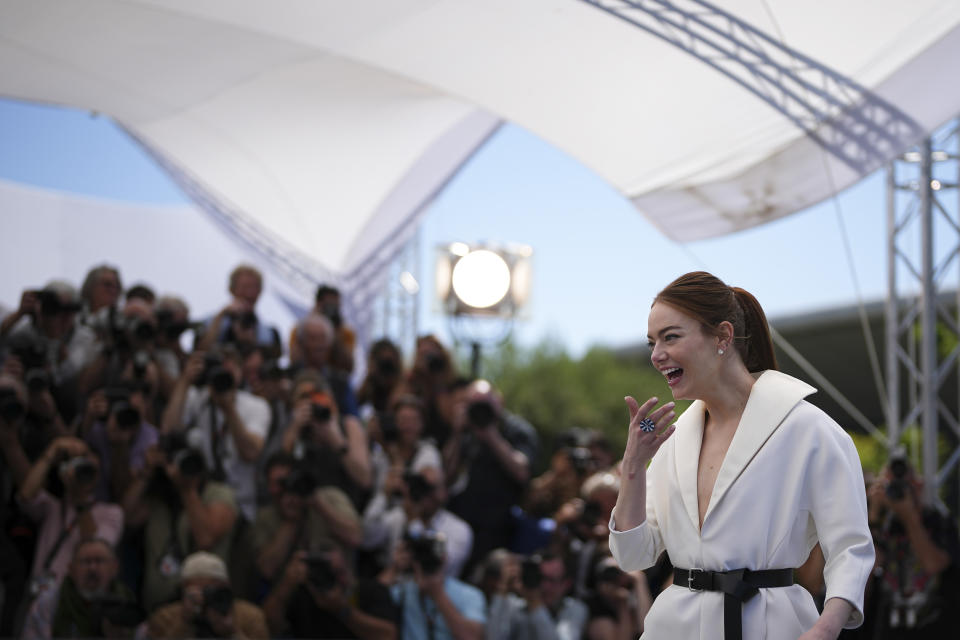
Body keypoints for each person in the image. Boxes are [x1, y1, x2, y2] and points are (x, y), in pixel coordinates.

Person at [608, 271, 874, 640]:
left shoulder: (809, 429)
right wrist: (634, 467)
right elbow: (633, 556)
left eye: (671, 337)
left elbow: (851, 547)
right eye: (652, 342)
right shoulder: (671, 440)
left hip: (773, 627)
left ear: (723, 336)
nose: (656, 355)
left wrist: (825, 629)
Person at [865, 454, 959, 638]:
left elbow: (934, 564)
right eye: (891, 487)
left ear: (919, 486)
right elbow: (866, 567)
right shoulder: (881, 525)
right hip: (886, 629)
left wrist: (910, 518)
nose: (899, 492)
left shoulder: (939, 521)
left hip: (937, 627)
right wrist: (874, 513)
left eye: (905, 485)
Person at [22, 537, 141, 639]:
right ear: (71, 569)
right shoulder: (48, 604)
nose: (92, 568)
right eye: (85, 562)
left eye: (100, 561)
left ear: (115, 568)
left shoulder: (127, 603)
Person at [145, 551, 268, 639]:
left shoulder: (250, 617)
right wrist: (183, 623)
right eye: (197, 590)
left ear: (226, 587)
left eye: (210, 589)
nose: (204, 596)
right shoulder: (165, 617)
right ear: (183, 590)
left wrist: (233, 633)